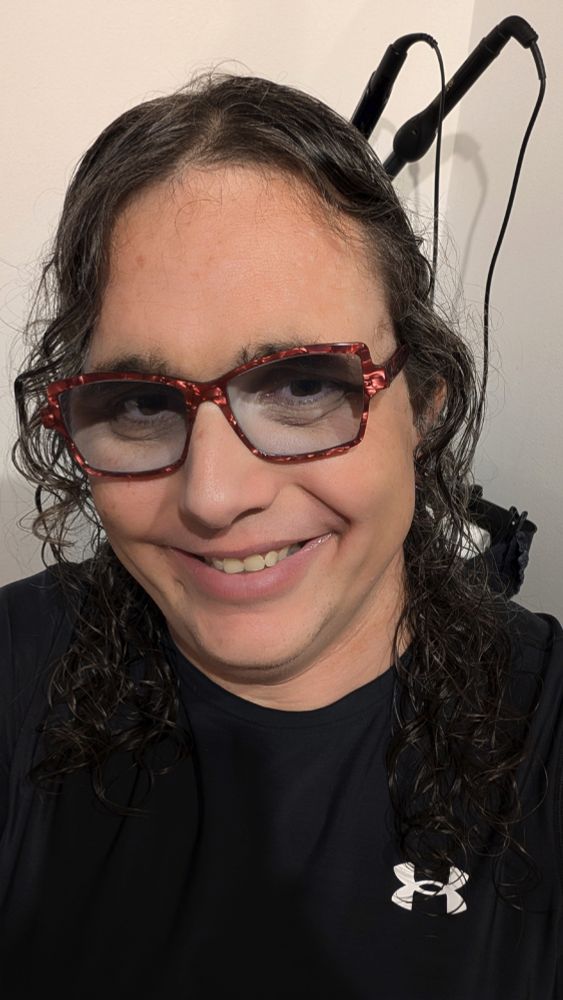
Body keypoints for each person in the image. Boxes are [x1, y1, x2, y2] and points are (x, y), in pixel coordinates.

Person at [1, 73, 561, 1000]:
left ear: (423, 404)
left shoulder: (541, 739)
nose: (214, 497)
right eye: (141, 403)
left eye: (303, 386)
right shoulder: (19, 673)